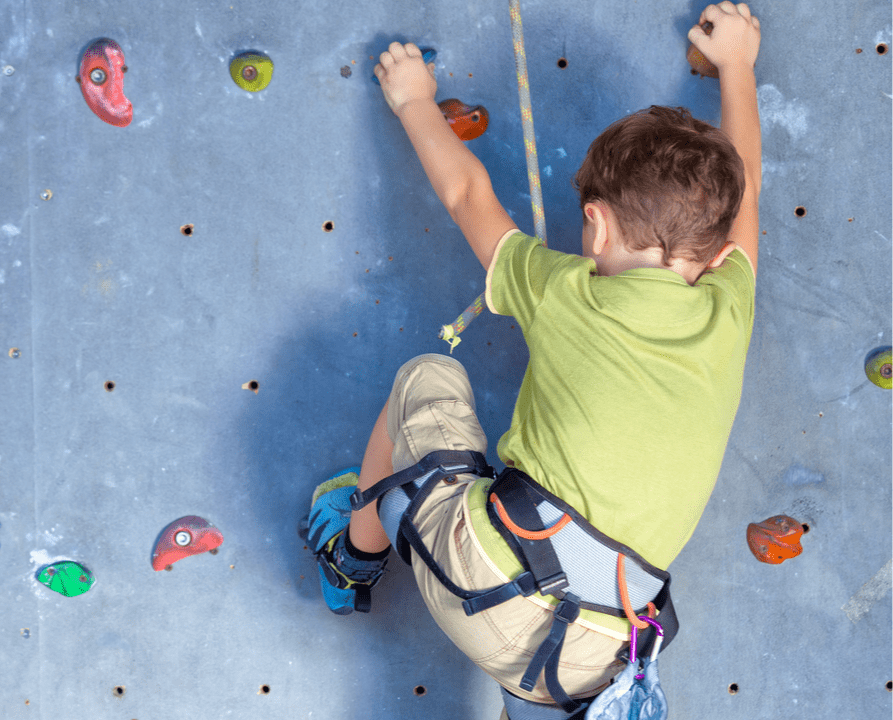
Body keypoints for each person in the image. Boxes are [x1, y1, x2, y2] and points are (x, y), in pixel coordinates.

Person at [302, 4, 762, 718]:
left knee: (426, 380)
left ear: (597, 224)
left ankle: (351, 557)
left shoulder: (567, 292)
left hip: (485, 589)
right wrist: (737, 65)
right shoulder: (730, 309)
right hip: (586, 668)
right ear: (722, 255)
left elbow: (467, 195)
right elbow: (749, 196)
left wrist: (415, 100)